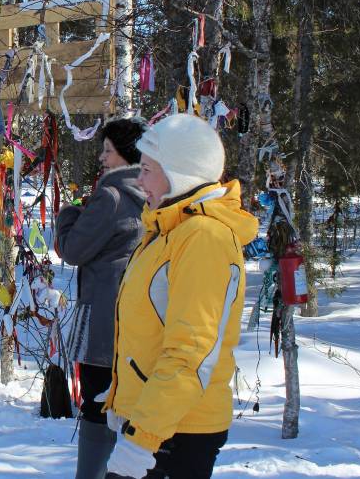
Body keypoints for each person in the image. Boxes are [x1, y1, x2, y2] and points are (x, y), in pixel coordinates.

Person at [103, 114, 257, 479]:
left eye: (147, 170)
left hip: (177, 429)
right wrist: (124, 387)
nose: (139, 182)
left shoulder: (203, 238)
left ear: (180, 173)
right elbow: (153, 326)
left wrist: (144, 437)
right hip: (156, 417)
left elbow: (191, 351)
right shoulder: (169, 228)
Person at [55, 117, 147, 479]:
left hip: (103, 325)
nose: (102, 158)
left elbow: (73, 248)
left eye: (108, 151)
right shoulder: (151, 196)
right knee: (125, 406)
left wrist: (69, 213)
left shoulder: (110, 196)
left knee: (96, 404)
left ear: (127, 155)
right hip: (136, 323)